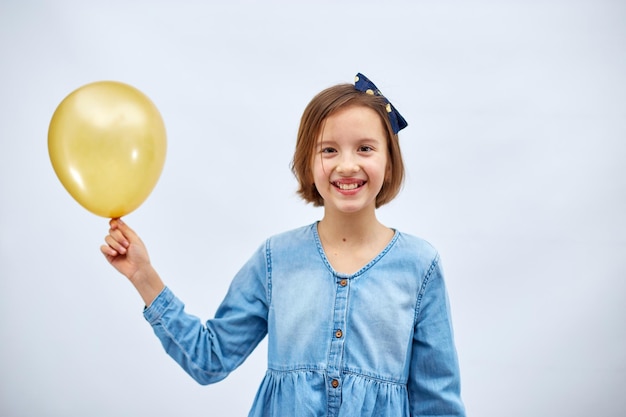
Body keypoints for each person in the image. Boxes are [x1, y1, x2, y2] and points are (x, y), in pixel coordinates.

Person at [101, 73, 466, 417]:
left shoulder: (420, 265)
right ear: (308, 162)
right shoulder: (276, 258)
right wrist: (143, 276)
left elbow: (438, 401)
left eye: (365, 148)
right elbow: (210, 360)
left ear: (389, 161)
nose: (347, 165)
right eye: (329, 150)